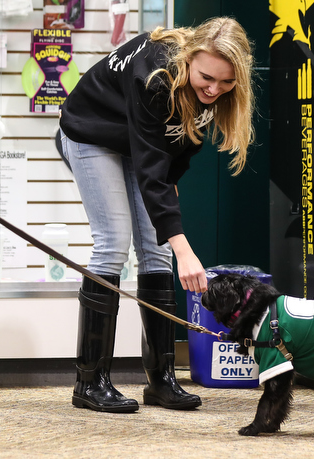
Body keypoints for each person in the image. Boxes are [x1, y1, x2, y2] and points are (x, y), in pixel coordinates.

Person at [59, 17, 255, 412]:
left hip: (137, 142)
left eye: (226, 82)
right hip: (91, 131)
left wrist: (170, 237)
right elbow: (152, 172)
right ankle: (89, 382)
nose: (214, 89)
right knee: (114, 242)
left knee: (155, 248)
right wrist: (185, 250)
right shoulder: (155, 77)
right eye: (206, 78)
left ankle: (162, 379)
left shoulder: (212, 90)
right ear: (189, 58)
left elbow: (174, 155)